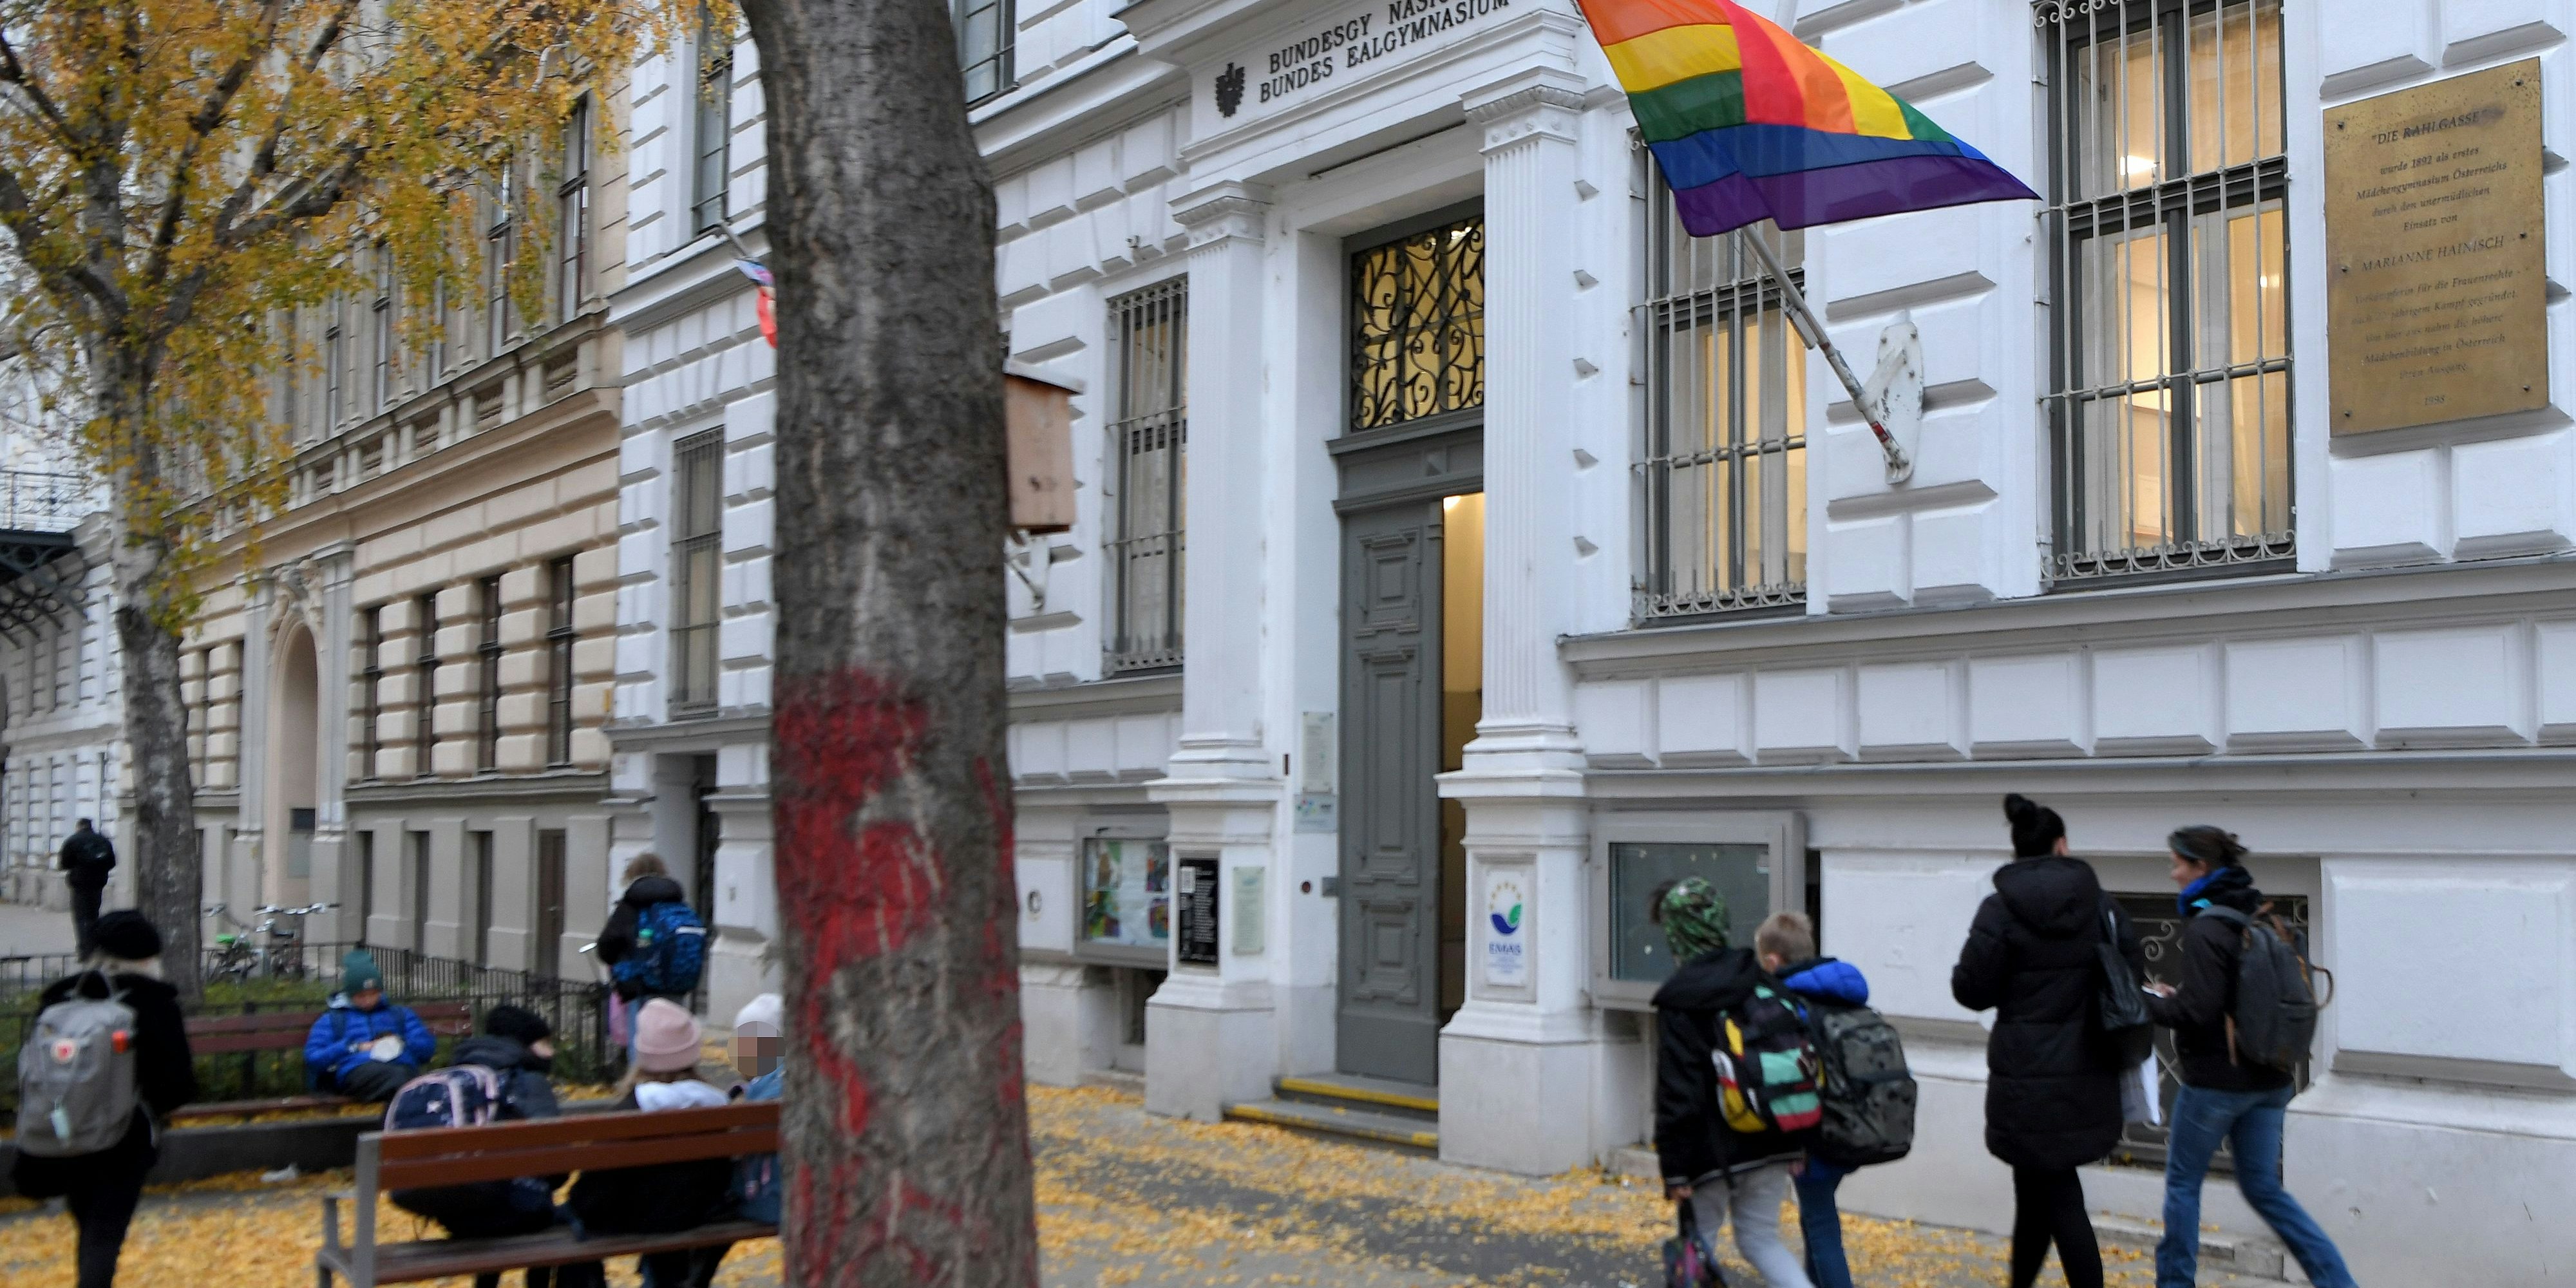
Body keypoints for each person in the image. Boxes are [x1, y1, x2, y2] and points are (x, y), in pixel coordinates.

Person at [2145, 827, 2356, 1288]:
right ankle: (2338, 1282)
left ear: (2201, 868)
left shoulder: (2206, 927)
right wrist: (2182, 994)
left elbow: (2197, 1013)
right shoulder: (2258, 914)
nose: (2173, 872)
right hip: (2271, 1079)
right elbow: (2230, 997)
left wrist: (2145, 1002)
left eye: (2177, 863)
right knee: (2264, 1189)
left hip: (2216, 1084)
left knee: (2183, 1184)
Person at [1951, 793, 2143, 1288]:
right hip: (2087, 1072)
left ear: (2017, 850)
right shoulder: (2102, 906)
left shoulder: (1999, 910)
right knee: (2037, 1192)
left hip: (2025, 1077)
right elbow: (2131, 975)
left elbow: (1970, 991)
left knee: (2056, 1195)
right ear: (2063, 845)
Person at [10, 911, 197, 1288]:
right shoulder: (155, 1000)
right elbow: (177, 1083)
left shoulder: (61, 995)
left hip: (65, 1126)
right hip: (125, 1134)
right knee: (107, 1227)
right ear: (149, 956)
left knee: (87, 1218)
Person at [1651, 878, 1816, 1288]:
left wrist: (1675, 1171)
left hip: (1711, 1154)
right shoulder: (1760, 979)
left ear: (1676, 931)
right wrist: (1797, 1142)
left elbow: (1679, 1090)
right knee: (1761, 1240)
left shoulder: (1681, 997)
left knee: (1698, 1244)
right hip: (1773, 1138)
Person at [392, 1004, 598, 1288]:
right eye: (546, 1044)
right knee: (556, 1212)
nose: (551, 1053)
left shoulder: (455, 1075)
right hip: (510, 1217)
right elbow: (557, 1171)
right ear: (525, 1045)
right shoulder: (530, 1082)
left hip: (456, 1217)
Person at [567, 998, 736, 1288]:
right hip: (696, 1214)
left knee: (576, 1221)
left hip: (632, 1217)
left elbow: (596, 1187)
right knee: (669, 1196)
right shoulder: (718, 1105)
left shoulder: (630, 1110)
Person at [1755, 911, 1863, 1288]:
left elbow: (1789, 1079)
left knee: (1820, 1227)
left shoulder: (1790, 1005)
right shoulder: (1842, 992)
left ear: (1772, 961)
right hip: (1854, 1123)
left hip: (1814, 1132)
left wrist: (1790, 1142)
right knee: (1816, 1219)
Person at [304, 949, 437, 1102]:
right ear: (349, 995)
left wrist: (401, 1043)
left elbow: (426, 1049)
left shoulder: (400, 1015)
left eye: (373, 994)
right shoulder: (333, 1019)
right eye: (361, 996)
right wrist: (353, 1047)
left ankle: (393, 1121)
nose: (368, 1000)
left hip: (401, 1067)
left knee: (404, 1081)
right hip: (357, 1071)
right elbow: (314, 1057)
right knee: (402, 1082)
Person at [595, 854, 698, 1051]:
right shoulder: (677, 903)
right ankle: (673, 1078)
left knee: (643, 1046)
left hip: (641, 987)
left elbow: (607, 946)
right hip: (676, 985)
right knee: (672, 1043)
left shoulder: (631, 905)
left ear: (632, 875)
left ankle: (643, 1081)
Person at [57, 819, 116, 957]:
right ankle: (94, 945)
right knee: (94, 915)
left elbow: (64, 864)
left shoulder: (73, 841)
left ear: (79, 827)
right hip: (98, 883)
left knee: (80, 917)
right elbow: (112, 862)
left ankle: (85, 949)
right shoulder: (103, 841)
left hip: (80, 884)